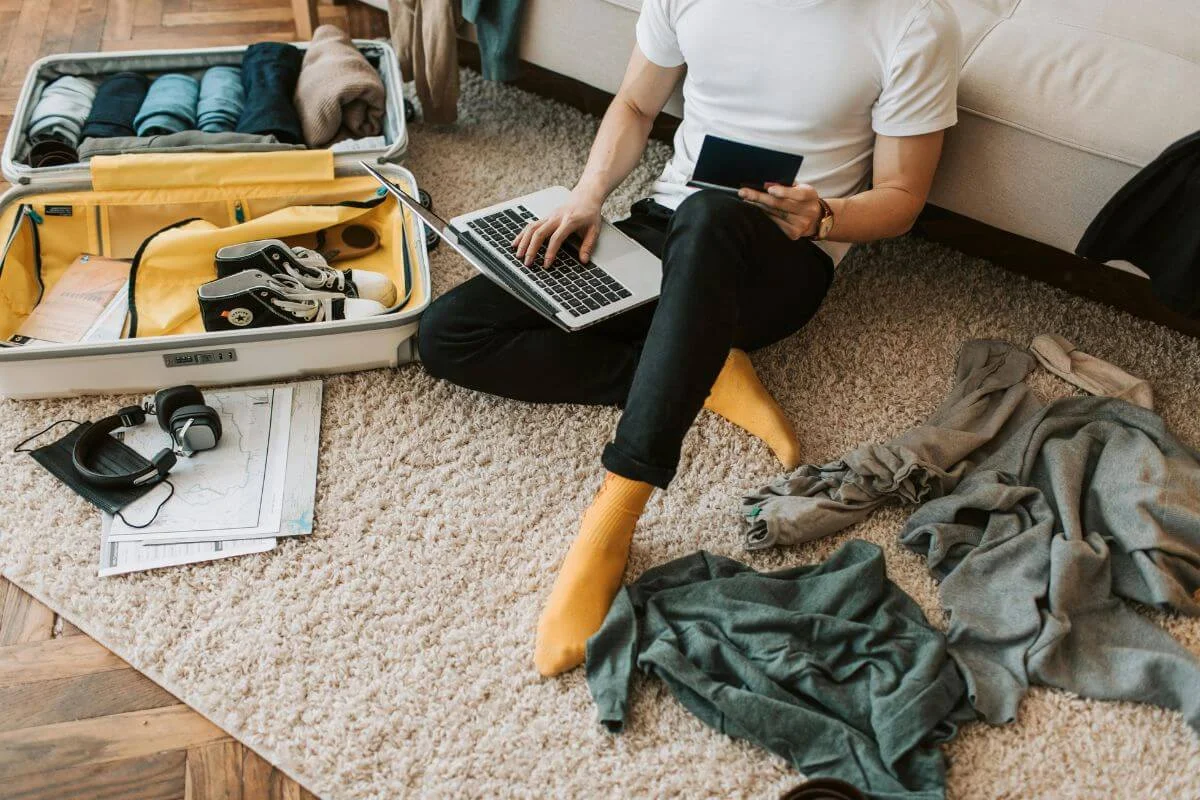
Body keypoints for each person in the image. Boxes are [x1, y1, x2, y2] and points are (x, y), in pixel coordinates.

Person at [417, 0, 962, 676]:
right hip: (667, 229)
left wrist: (824, 215)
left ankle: (616, 510)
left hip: (784, 262)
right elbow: (636, 106)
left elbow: (903, 197)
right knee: (447, 335)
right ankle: (695, 369)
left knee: (712, 216)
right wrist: (588, 195)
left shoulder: (913, 22)